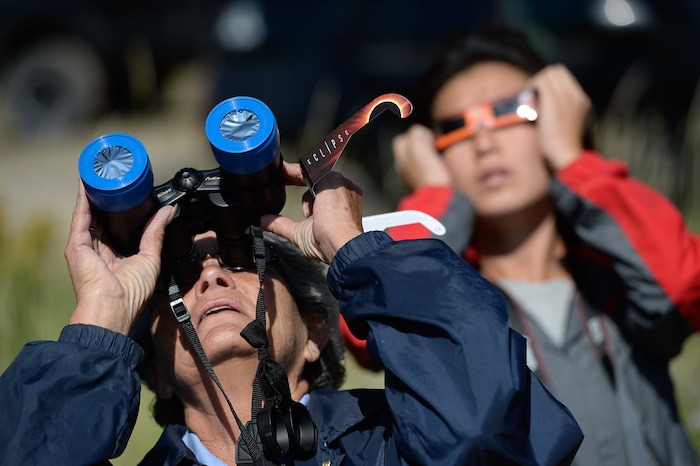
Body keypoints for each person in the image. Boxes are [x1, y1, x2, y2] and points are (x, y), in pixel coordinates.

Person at [0, 160, 583, 465]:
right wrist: (103, 313)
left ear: (315, 332)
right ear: (151, 369)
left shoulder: (393, 446)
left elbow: (482, 430)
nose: (209, 274)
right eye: (178, 280)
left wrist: (349, 248)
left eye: (242, 262)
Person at [385, 21, 700, 466]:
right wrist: (433, 201)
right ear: (430, 153)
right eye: (456, 125)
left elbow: (684, 283)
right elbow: (381, 324)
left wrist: (575, 161)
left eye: (510, 109)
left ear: (559, 117)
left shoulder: (619, 273)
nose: (484, 139)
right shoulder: (452, 308)